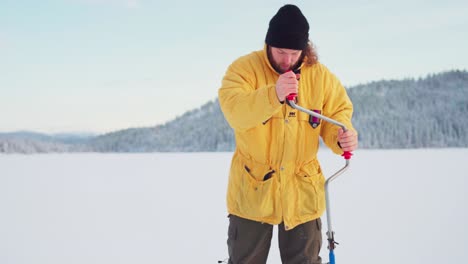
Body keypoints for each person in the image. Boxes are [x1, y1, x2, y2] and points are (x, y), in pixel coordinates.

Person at [218, 4, 358, 264]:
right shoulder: (244, 69)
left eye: (294, 53)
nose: (286, 60)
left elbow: (337, 115)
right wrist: (274, 94)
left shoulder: (321, 77)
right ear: (268, 44)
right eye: (280, 51)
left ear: (304, 50)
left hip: (302, 194)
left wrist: (341, 137)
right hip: (252, 192)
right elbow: (235, 112)